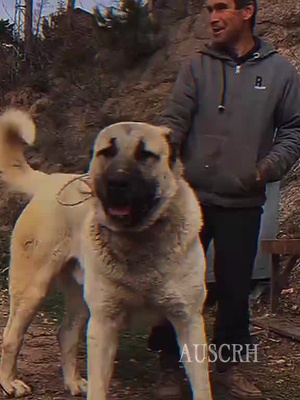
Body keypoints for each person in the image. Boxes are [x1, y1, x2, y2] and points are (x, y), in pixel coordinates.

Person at [147, 0, 300, 398]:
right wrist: (155, 154)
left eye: (221, 8)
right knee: (175, 283)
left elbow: (293, 131)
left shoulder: (280, 72)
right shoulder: (195, 67)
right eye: (208, 10)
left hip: (243, 199)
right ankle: (169, 366)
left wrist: (265, 169)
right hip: (189, 200)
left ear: (247, 11)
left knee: (234, 289)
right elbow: (175, 122)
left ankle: (228, 367)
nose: (212, 18)